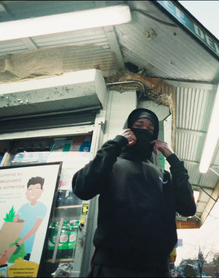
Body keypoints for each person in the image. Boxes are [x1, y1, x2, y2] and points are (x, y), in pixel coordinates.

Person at [72, 108, 197, 277]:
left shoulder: (163, 175)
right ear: (128, 130)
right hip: (112, 267)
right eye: (139, 125)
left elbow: (188, 208)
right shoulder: (111, 165)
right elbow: (82, 188)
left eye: (150, 129)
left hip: (157, 269)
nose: (145, 130)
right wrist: (117, 143)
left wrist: (173, 160)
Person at [0, 176, 47, 264]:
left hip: (26, 247)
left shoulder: (42, 207)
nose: (33, 192)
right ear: (27, 191)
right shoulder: (24, 206)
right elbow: (14, 222)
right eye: (30, 189)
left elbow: (34, 229)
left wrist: (16, 245)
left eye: (37, 189)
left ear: (42, 190)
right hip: (13, 244)